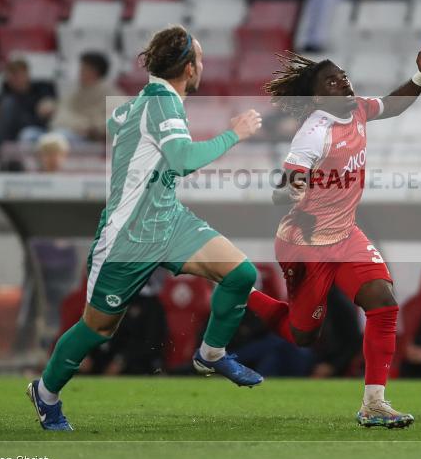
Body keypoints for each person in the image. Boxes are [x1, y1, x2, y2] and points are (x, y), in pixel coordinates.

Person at [26, 26, 266, 431]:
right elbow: (183, 159)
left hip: (168, 221)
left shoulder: (149, 101)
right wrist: (234, 133)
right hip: (128, 236)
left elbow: (125, 129)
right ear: (189, 68)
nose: (203, 66)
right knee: (98, 327)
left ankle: (210, 353)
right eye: (201, 59)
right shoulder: (161, 105)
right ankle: (46, 393)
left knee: (240, 273)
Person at [246, 35, 421, 428]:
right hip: (305, 243)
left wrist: (420, 76)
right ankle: (240, 293)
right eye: (332, 82)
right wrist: (290, 189)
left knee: (383, 302)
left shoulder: (358, 110)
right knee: (303, 335)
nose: (344, 83)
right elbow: (281, 191)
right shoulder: (314, 132)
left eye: (344, 76)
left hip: (346, 234)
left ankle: (374, 404)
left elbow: (393, 104)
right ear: (317, 99)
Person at [51, 52, 123, 143]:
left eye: (83, 69)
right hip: (71, 133)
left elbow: (118, 122)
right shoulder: (76, 92)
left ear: (94, 72)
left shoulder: (111, 93)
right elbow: (61, 115)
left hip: (93, 141)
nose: (80, 72)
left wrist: (94, 129)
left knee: (58, 138)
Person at [0, 59, 57, 146]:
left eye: (18, 75)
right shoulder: (5, 92)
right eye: (12, 76)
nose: (15, 79)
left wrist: (48, 106)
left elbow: (49, 108)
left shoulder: (42, 89)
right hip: (10, 128)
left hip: (34, 126)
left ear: (27, 74)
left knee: (27, 133)